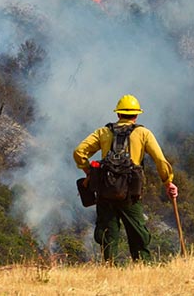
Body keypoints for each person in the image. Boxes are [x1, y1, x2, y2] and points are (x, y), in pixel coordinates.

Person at [73, 94, 178, 264]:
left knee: (108, 233)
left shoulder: (103, 132)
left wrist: (89, 172)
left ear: (118, 114)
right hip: (130, 193)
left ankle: (110, 266)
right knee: (138, 232)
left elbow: (79, 152)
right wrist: (168, 182)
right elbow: (160, 161)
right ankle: (142, 265)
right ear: (136, 115)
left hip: (105, 192)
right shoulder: (143, 133)